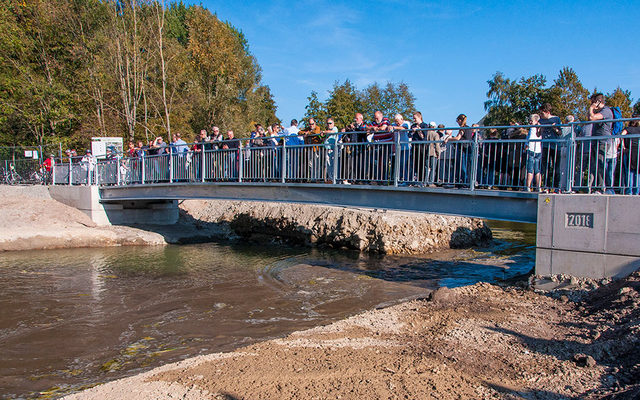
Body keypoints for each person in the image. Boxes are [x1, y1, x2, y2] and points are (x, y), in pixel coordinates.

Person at [588, 93, 616, 194]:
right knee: (596, 165)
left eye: (593, 101)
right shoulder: (599, 111)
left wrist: (591, 108)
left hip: (603, 141)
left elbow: (592, 118)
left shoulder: (606, 111)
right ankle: (597, 187)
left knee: (600, 164)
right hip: (597, 141)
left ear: (599, 101)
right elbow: (589, 118)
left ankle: (601, 188)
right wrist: (591, 109)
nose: (591, 104)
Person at [538, 103, 562, 190]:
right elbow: (538, 134)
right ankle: (546, 186)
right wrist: (539, 128)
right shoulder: (540, 121)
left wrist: (555, 128)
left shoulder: (556, 119)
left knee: (556, 167)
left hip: (555, 146)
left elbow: (560, 133)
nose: (541, 115)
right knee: (546, 167)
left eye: (542, 113)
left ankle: (556, 187)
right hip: (545, 146)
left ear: (547, 112)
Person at [620, 117, 640, 195]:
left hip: (629, 151)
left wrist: (623, 146)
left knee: (629, 172)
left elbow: (622, 135)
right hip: (638, 151)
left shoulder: (628, 129)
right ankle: (637, 191)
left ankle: (629, 191)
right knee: (638, 173)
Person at [390, 113, 411, 183]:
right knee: (398, 164)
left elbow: (403, 128)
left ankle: (405, 179)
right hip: (397, 149)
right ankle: (398, 179)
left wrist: (394, 128)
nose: (397, 123)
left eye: (398, 121)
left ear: (402, 119)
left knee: (404, 163)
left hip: (405, 148)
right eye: (395, 121)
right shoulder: (394, 125)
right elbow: (389, 128)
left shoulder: (406, 123)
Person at [410, 112, 429, 184]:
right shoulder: (413, 125)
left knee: (422, 164)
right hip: (414, 146)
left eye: (415, 118)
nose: (414, 120)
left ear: (419, 117)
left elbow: (423, 137)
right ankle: (416, 180)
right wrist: (413, 131)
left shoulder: (424, 125)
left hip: (422, 147)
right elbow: (409, 135)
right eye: (413, 118)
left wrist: (419, 130)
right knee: (415, 164)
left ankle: (422, 181)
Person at [526, 114, 542, 192]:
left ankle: (528, 186)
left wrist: (527, 145)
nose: (530, 122)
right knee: (536, 169)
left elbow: (530, 138)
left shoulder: (533, 128)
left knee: (531, 169)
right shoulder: (539, 127)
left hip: (532, 149)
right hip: (537, 149)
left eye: (531, 121)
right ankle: (537, 186)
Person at [323, 118, 340, 182]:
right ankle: (330, 179)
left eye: (330, 123)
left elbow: (333, 132)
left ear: (333, 123)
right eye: (328, 123)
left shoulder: (335, 128)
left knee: (334, 165)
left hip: (333, 150)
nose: (329, 125)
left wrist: (324, 132)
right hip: (327, 149)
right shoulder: (327, 131)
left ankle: (334, 179)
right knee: (328, 165)